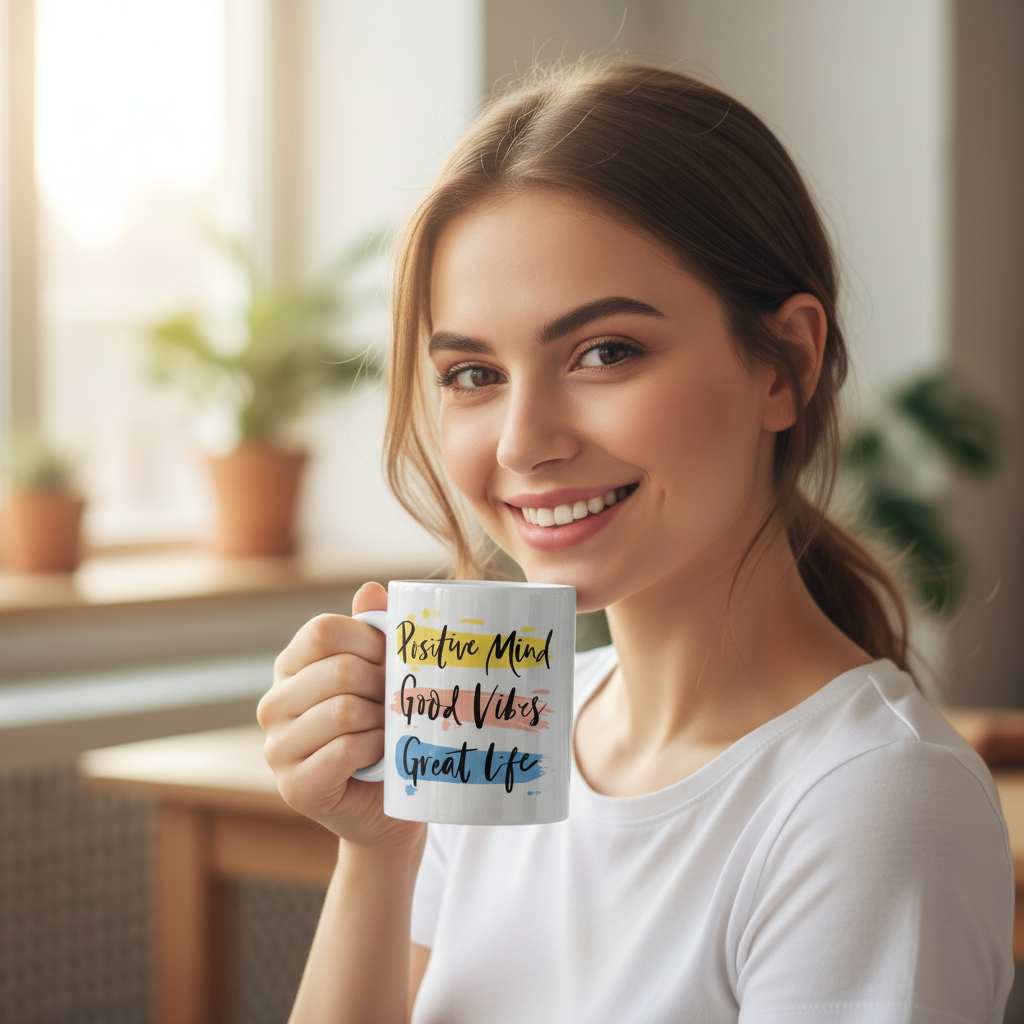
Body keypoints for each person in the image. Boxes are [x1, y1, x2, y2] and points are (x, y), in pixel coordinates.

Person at [257, 60, 1013, 1023]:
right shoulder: (494, 734)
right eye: (474, 373)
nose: (524, 441)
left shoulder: (873, 805)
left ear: (784, 365)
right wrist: (376, 849)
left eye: (604, 353)